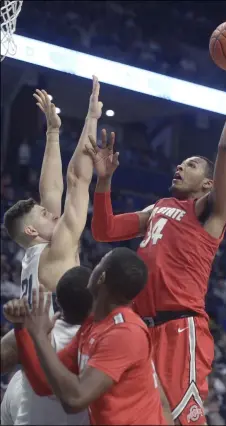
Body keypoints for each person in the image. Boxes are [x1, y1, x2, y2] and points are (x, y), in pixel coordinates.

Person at [87, 39, 226, 425]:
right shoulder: (160, 208)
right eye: (180, 164)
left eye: (190, 165)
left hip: (179, 330)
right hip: (139, 328)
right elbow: (104, 230)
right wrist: (103, 183)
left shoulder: (210, 211)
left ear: (207, 183)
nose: (179, 169)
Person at [1, 76, 102, 425]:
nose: (50, 209)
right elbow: (76, 181)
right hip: (61, 356)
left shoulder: (33, 255)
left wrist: (53, 132)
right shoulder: (56, 252)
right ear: (32, 230)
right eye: (44, 215)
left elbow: (51, 190)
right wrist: (91, 118)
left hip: (27, 373)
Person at [4, 248, 173, 425]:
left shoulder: (125, 333)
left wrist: (39, 335)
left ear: (101, 278)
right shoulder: (93, 324)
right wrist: (23, 328)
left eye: (98, 265)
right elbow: (43, 383)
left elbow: (74, 400)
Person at [1, 266, 93, 425]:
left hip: (26, 417)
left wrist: (20, 325)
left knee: (17, 383)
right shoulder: (104, 338)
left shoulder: (32, 331)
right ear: (96, 303)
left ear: (57, 301)